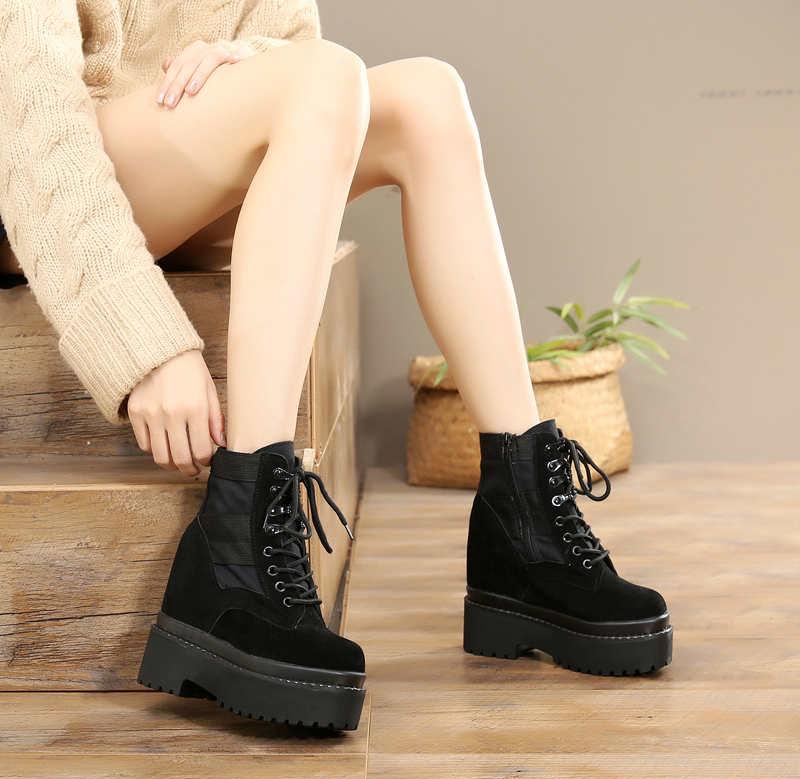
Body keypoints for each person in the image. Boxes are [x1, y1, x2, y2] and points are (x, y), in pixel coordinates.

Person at [0, 0, 672, 731]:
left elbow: (295, 44)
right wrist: (142, 339)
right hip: (49, 181)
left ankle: (525, 528)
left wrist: (247, 58)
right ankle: (236, 544)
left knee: (428, 96)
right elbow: (30, 120)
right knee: (320, 79)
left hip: (180, 172)